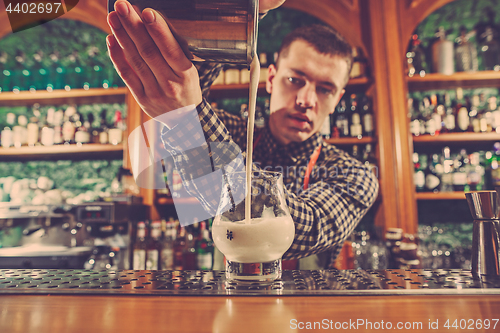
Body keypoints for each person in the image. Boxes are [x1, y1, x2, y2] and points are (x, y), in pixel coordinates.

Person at [106, 0, 379, 269]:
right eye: (295, 80)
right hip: (224, 300)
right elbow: (187, 81)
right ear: (270, 79)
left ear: (338, 99)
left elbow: (301, 230)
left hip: (305, 310)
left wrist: (186, 119)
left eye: (325, 89)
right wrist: (245, 13)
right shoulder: (232, 132)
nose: (306, 100)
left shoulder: (354, 175)